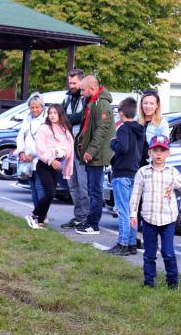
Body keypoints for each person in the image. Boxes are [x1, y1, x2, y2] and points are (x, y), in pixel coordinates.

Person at [130, 135, 181, 289]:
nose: (158, 154)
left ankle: (173, 282)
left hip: (168, 219)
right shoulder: (142, 172)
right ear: (150, 152)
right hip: (149, 218)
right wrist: (133, 214)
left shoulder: (172, 172)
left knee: (168, 253)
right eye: (155, 150)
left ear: (168, 153)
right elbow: (136, 194)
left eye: (162, 151)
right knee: (149, 254)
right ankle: (149, 282)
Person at [75, 75, 115, 235]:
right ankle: (90, 221)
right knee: (92, 189)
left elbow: (101, 130)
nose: (81, 93)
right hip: (93, 154)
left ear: (92, 88)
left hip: (97, 156)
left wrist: (90, 151)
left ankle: (93, 224)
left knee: (95, 191)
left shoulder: (102, 104)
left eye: (83, 90)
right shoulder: (93, 102)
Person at [25, 104, 74, 229]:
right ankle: (33, 215)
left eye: (55, 113)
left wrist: (62, 155)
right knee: (50, 193)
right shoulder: (44, 128)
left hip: (56, 165)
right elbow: (40, 148)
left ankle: (40, 221)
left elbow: (69, 148)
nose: (52, 115)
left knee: (51, 194)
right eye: (50, 113)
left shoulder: (64, 129)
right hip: (44, 164)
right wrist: (51, 160)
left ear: (60, 114)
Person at [107, 97, 144, 255]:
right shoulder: (139, 129)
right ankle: (131, 243)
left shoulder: (123, 128)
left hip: (122, 172)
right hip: (134, 172)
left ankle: (122, 244)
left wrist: (113, 143)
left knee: (123, 209)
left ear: (121, 113)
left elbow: (123, 147)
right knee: (131, 209)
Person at [62, 69, 90, 229]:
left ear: (81, 82)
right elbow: (60, 116)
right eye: (70, 82)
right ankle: (78, 216)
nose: (71, 86)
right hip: (68, 147)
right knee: (72, 185)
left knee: (83, 185)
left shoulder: (86, 98)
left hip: (81, 147)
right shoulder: (67, 98)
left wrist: (65, 119)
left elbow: (82, 117)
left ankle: (87, 217)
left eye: (74, 83)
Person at [14, 93, 47, 209]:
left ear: (42, 107)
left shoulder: (46, 120)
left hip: (40, 159)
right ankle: (36, 212)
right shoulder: (27, 119)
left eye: (37, 107)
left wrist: (33, 155)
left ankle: (41, 214)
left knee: (40, 187)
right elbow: (20, 137)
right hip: (27, 160)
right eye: (32, 107)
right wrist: (21, 152)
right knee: (32, 188)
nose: (34, 110)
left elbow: (46, 142)